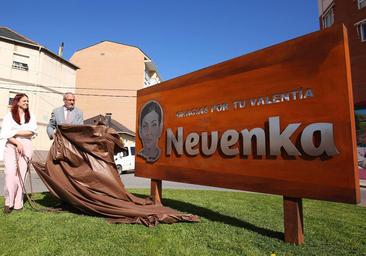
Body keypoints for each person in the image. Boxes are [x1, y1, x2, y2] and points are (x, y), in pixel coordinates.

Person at [0, 93, 37, 214]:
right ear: (17, 102)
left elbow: (31, 132)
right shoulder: (8, 116)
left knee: (21, 175)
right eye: (24, 101)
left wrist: (14, 131)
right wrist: (17, 142)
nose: (26, 103)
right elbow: (5, 133)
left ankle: (18, 203)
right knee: (10, 174)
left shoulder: (31, 117)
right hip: (11, 145)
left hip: (27, 146)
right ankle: (8, 201)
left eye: (27, 101)